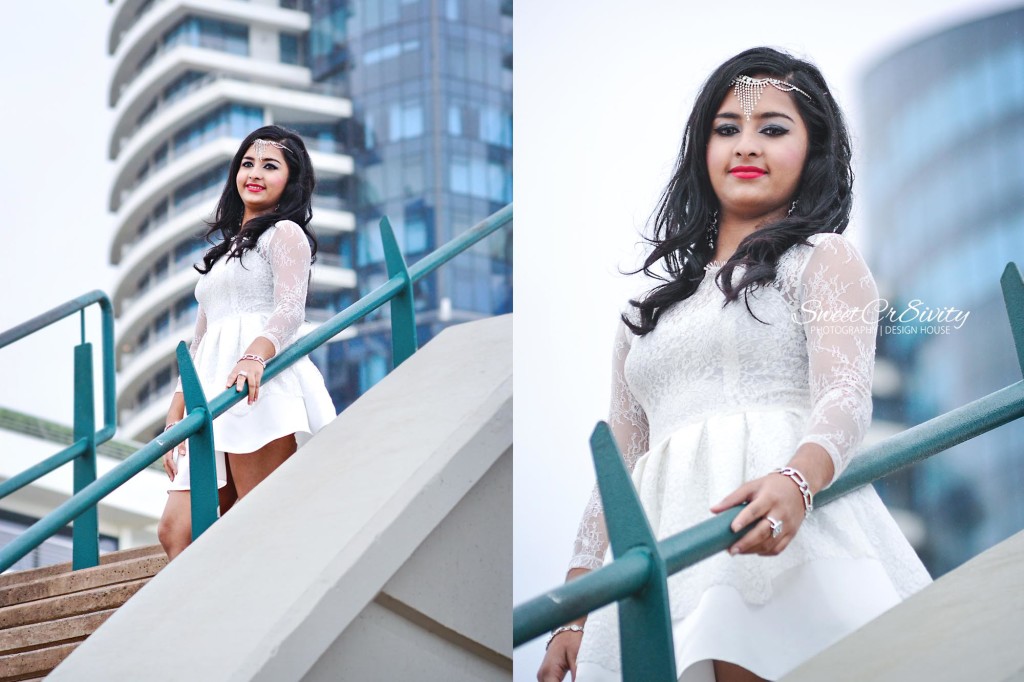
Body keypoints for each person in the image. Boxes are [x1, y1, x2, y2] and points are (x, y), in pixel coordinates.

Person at [537, 47, 932, 682]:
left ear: (813, 152)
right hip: (665, 549)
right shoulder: (644, 313)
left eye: (773, 129)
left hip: (783, 528)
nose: (746, 145)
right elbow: (621, 461)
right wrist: (576, 607)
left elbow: (846, 396)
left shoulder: (822, 259)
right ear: (702, 150)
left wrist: (798, 481)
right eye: (727, 129)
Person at [157, 125, 336, 560]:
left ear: (290, 181)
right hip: (212, 392)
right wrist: (177, 408)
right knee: (174, 531)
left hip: (259, 386)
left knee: (256, 517)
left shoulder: (285, 235)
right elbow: (201, 340)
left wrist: (256, 355)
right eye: (247, 163)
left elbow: (290, 310)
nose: (254, 173)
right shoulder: (223, 254)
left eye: (270, 166)